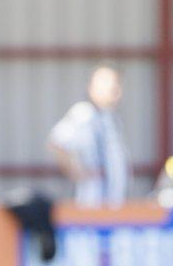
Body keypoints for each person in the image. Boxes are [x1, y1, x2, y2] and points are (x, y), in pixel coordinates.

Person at [47, 66, 130, 207]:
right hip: (91, 203)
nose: (116, 90)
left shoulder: (110, 118)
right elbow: (56, 142)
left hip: (113, 203)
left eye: (117, 85)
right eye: (110, 85)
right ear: (93, 87)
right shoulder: (84, 114)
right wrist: (76, 172)